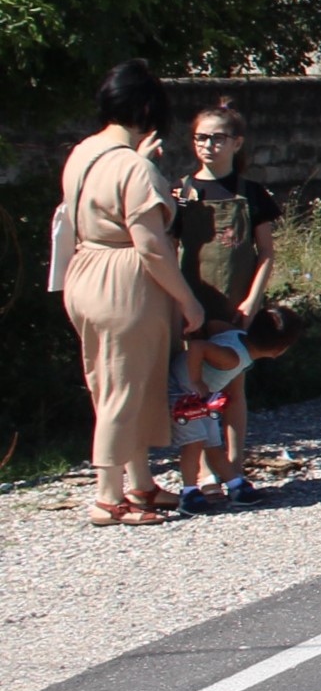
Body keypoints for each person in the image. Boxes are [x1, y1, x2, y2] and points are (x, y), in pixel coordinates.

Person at [57, 63, 205, 524]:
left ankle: (139, 482)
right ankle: (108, 495)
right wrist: (188, 300)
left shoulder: (85, 151)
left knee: (115, 382)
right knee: (126, 387)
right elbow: (151, 246)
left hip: (84, 270)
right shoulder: (135, 167)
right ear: (146, 108)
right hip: (124, 280)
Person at [172, 97, 283, 501]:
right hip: (194, 302)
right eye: (201, 138)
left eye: (217, 138)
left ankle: (235, 466)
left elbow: (266, 252)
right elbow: (168, 247)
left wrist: (253, 301)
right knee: (197, 388)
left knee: (234, 388)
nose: (208, 146)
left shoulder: (253, 193)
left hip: (238, 303)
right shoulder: (182, 192)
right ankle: (204, 471)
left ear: (236, 143)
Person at [170, 305, 304, 511]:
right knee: (193, 442)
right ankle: (189, 493)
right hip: (182, 394)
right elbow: (197, 347)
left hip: (200, 399)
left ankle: (235, 484)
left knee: (213, 442)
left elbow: (213, 327)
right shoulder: (232, 357)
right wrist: (196, 381)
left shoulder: (237, 336)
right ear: (279, 351)